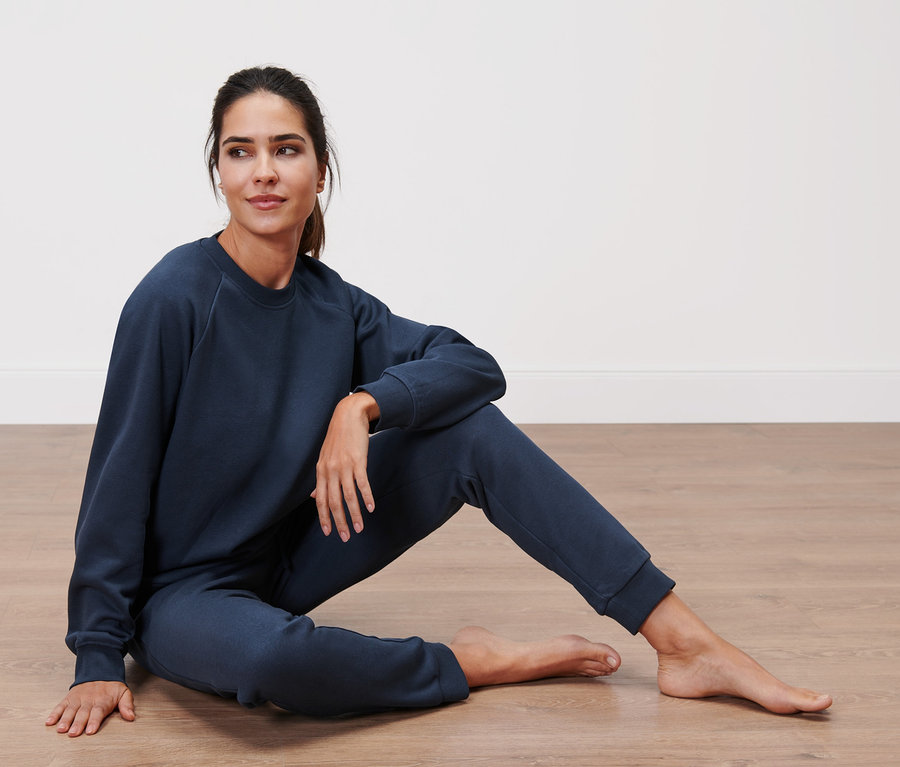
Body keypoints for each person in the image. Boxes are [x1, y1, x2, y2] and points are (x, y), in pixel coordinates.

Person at [46, 66, 832, 738]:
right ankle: (473, 661)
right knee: (278, 661)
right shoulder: (175, 297)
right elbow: (117, 478)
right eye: (239, 151)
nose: (263, 172)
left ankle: (684, 641)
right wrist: (94, 654)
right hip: (183, 593)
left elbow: (473, 366)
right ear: (217, 171)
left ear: (320, 171)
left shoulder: (335, 306)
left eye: (286, 150)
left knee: (470, 434)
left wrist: (363, 405)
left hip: (285, 555)